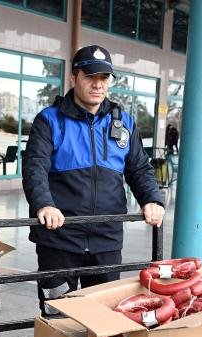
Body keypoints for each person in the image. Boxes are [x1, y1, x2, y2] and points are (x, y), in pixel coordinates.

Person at [22, 45, 165, 316]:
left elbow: (139, 168)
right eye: (90, 76)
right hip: (59, 238)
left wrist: (151, 199)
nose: (98, 85)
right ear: (74, 78)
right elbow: (34, 167)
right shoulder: (49, 120)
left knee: (105, 316)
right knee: (58, 315)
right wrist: (44, 204)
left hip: (106, 240)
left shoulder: (124, 122)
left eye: (104, 78)